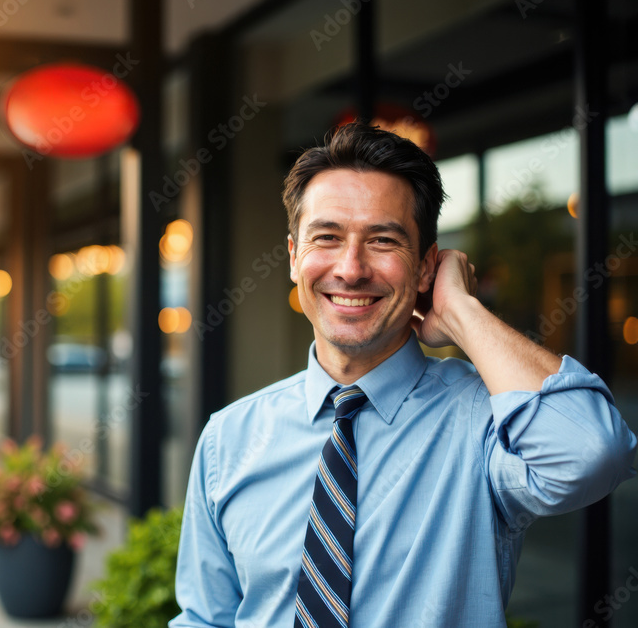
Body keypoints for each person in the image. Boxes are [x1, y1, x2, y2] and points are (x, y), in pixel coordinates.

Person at [170, 123, 637, 627]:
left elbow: (593, 452)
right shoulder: (228, 437)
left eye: (383, 240)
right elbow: (205, 618)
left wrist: (461, 311)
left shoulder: (485, 422)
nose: (350, 269)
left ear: (425, 268)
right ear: (292, 257)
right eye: (326, 237)